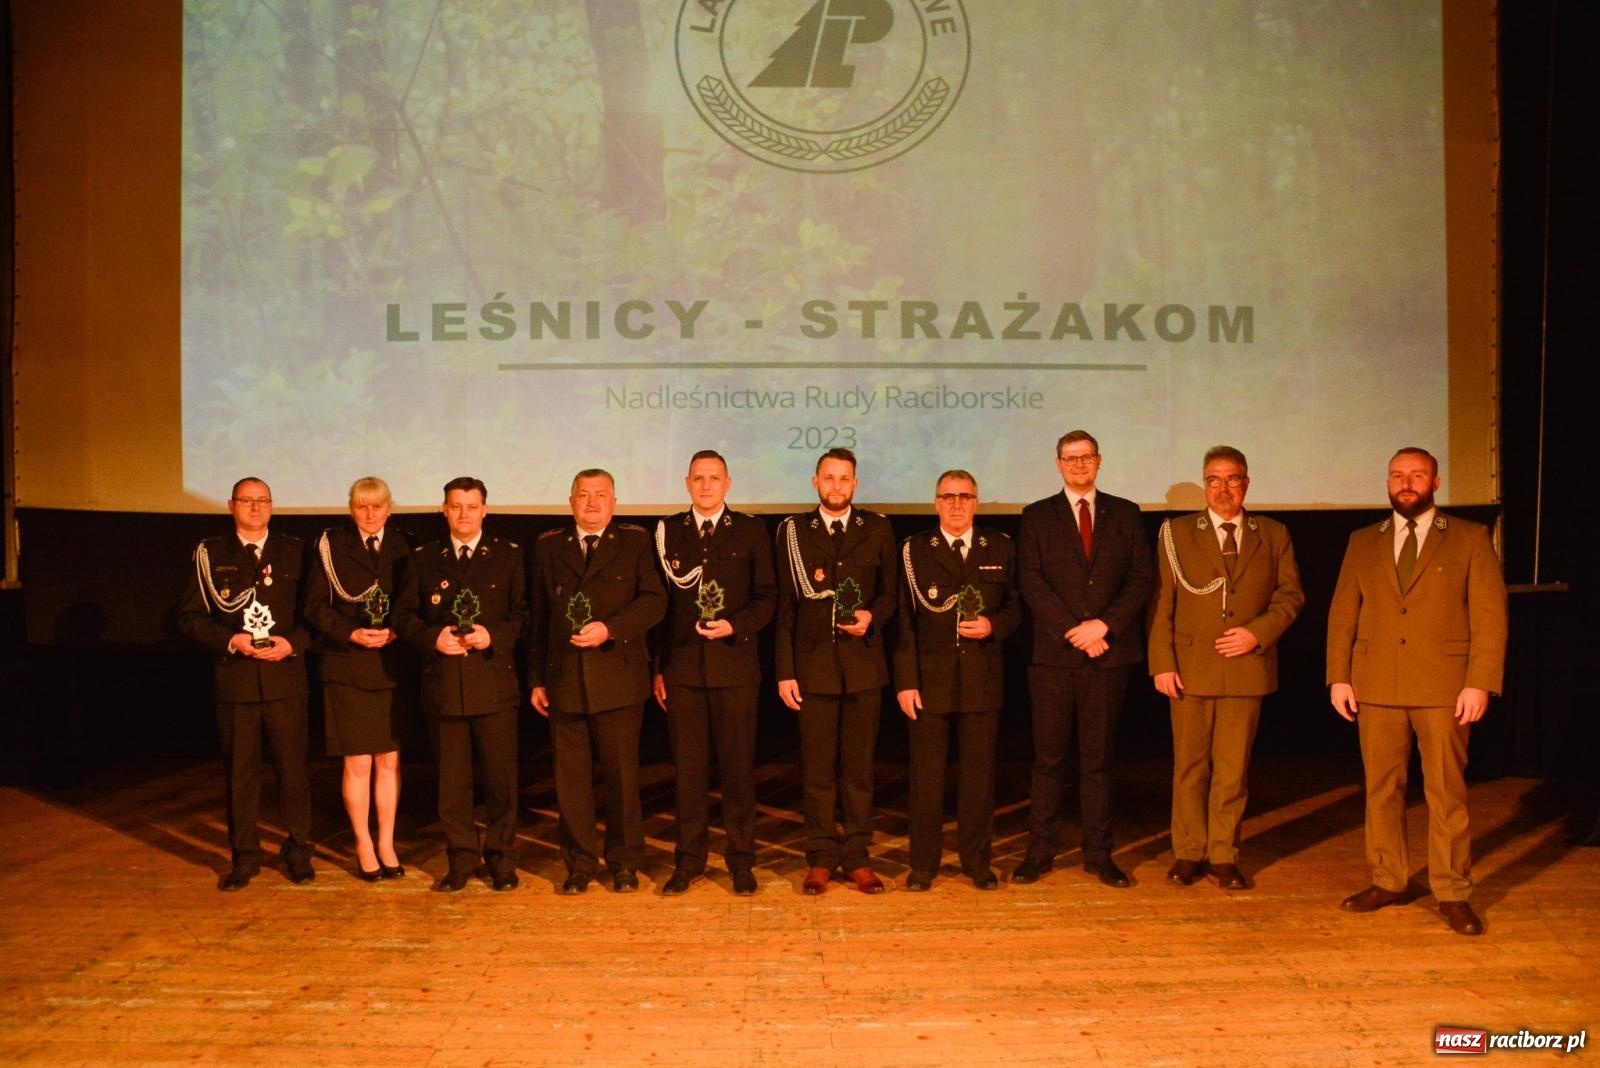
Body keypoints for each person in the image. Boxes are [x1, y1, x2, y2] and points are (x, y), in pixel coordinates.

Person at [1327, 447, 1508, 935]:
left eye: (1417, 475)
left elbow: (1490, 618)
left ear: (1436, 481)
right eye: (1397, 475)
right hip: (1376, 685)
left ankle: (1452, 890)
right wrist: (1339, 676)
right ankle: (1388, 879)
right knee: (1382, 789)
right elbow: (1344, 614)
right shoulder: (1363, 541)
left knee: (1446, 791)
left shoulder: (1470, 538)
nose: (1406, 482)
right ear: (1388, 481)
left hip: (1444, 687)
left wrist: (1480, 682)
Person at [1147, 447, 1304, 890]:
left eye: (1231, 479)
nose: (1222, 488)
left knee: (1233, 770)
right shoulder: (1176, 534)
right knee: (1190, 767)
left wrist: (1258, 632)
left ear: (1246, 484)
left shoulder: (1272, 534)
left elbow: (1290, 597)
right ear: (1203, 485)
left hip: (1246, 666)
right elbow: (1162, 604)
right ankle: (1188, 852)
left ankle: (1223, 854)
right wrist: (1162, 662)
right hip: (1190, 668)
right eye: (1213, 479)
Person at [1015, 431, 1155, 888]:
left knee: (1098, 763)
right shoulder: (1036, 516)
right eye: (1070, 459)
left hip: (1108, 656)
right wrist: (1077, 631)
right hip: (1054, 659)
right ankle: (1040, 852)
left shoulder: (1127, 513)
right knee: (1048, 762)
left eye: (1086, 457)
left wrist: (1104, 627)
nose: (1078, 465)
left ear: (1099, 462)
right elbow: (1031, 581)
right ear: (1057, 464)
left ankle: (1099, 854)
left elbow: (1140, 578)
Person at [530, 470, 667, 894]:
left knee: (623, 779)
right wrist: (536, 678)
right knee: (571, 782)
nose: (592, 503)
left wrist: (610, 628)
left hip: (619, 677)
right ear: (570, 500)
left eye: (600, 495)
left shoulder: (635, 542)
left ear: (614, 501)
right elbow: (539, 619)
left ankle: (624, 863)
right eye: (584, 495)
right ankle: (580, 864)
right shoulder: (549, 546)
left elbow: (655, 602)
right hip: (566, 680)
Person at [176, 477, 315, 891]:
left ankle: (298, 852)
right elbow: (190, 618)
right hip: (236, 682)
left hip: (284, 678)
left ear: (272, 505)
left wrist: (292, 644)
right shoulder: (211, 553)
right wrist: (231, 640)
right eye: (247, 501)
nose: (255, 508)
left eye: (263, 501)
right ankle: (245, 856)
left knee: (294, 772)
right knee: (241, 774)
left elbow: (315, 615)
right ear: (231, 505)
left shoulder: (295, 551)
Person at [651, 451, 777, 896]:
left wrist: (734, 625)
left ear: (728, 482)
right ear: (686, 482)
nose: (706, 486)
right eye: (698, 478)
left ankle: (741, 861)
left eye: (714, 478)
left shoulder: (750, 529)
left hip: (735, 667)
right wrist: (658, 668)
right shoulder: (668, 532)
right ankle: (689, 862)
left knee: (739, 773)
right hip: (683, 670)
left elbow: (767, 598)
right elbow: (658, 608)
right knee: (688, 774)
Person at [774, 447, 897, 895]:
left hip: (863, 666)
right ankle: (821, 858)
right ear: (815, 482)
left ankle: (859, 858)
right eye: (829, 478)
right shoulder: (793, 532)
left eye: (844, 479)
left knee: (860, 771)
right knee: (819, 772)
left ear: (855, 484)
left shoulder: (877, 528)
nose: (837, 486)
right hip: (813, 667)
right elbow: (786, 608)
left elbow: (890, 595)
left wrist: (871, 617)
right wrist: (785, 671)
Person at [394, 477, 527, 892]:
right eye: (456, 506)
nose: (464, 514)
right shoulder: (423, 559)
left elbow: (523, 614)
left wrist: (494, 636)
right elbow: (403, 617)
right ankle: (462, 861)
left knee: (501, 781)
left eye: (472, 506)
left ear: (485, 510)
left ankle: (502, 860)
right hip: (445, 687)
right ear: (444, 510)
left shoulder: (508, 557)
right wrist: (432, 638)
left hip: (493, 684)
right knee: (453, 786)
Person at [892, 469, 1022, 891]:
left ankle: (977, 863)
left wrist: (993, 625)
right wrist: (906, 681)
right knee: (926, 780)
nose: (956, 504)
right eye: (948, 496)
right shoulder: (913, 550)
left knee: (978, 781)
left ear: (976, 501)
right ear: (935, 502)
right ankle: (923, 865)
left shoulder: (999, 546)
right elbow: (905, 624)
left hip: (981, 679)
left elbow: (1017, 608)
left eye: (964, 496)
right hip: (930, 681)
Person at [304, 476, 414, 881]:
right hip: (346, 663)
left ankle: (386, 841)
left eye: (378, 506)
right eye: (362, 506)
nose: (370, 514)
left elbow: (412, 603)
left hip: (390, 665)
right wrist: (349, 631)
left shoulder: (406, 545)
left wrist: (398, 631)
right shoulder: (330, 545)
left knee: (389, 759)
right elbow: (313, 607)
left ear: (390, 507)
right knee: (358, 761)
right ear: (351, 508)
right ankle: (362, 843)